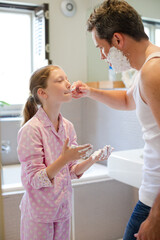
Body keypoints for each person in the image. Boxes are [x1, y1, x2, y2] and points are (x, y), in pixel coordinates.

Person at [71, 0, 160, 239]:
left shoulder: (154, 71)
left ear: (118, 40)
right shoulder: (146, 70)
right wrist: (89, 91)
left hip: (155, 202)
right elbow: (127, 100)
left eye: (101, 47)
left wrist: (155, 218)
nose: (101, 56)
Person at [17, 65, 112, 240]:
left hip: (62, 210)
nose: (68, 84)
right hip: (39, 215)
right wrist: (64, 158)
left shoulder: (67, 126)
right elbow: (34, 179)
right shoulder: (31, 130)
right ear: (42, 93)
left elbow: (71, 171)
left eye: (67, 78)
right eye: (60, 80)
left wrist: (93, 159)